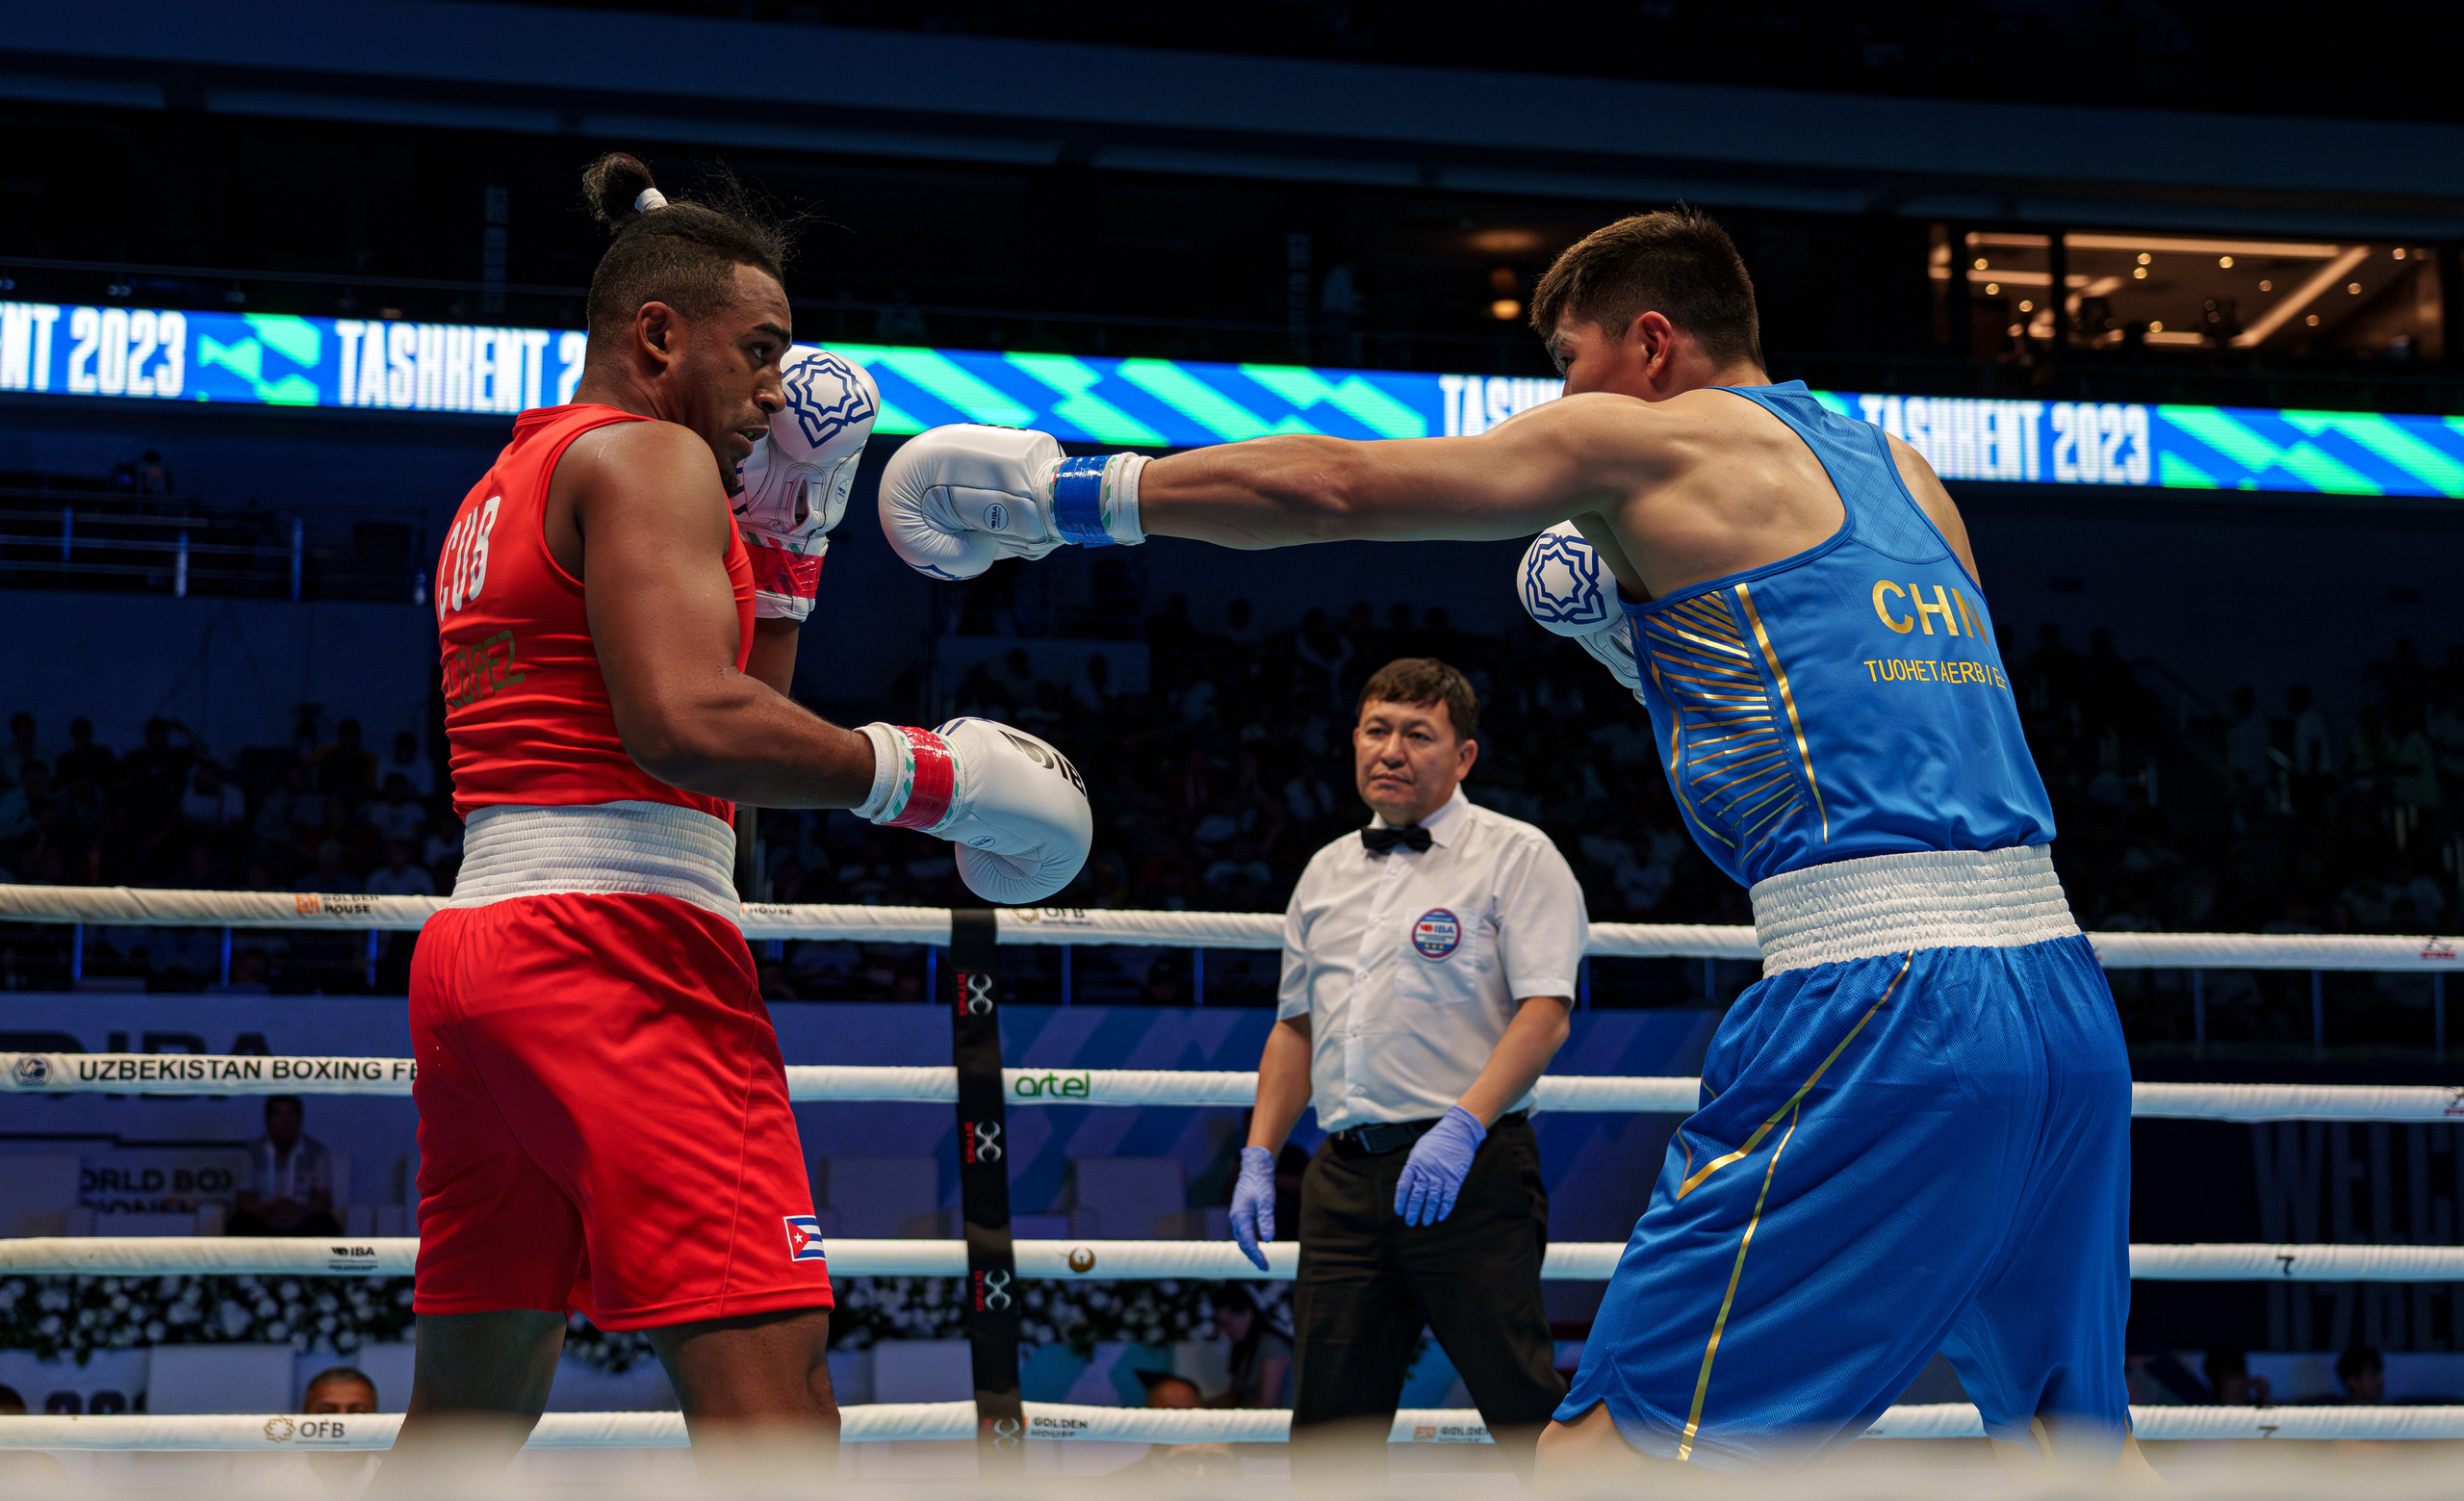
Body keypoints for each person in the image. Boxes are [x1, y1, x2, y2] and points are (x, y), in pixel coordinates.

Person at [877, 206, 2139, 1476]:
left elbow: (1337, 487)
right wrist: (1638, 651)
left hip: (1886, 1005)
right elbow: (1874, 733)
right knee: (2071, 1446)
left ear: (1650, 343)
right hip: (2062, 995)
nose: (1561, 403)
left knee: (1601, 1455)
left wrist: (1067, 495)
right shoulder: (1903, 468)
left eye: (1571, 366)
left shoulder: (1646, 440)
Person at [385, 152, 1091, 1486]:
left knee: (470, 1410)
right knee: (774, 1394)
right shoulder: (650, 455)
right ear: (659, 334)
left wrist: (790, 556)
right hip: (618, 950)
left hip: (485, 950)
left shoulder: (510, 479)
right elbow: (684, 726)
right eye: (760, 349)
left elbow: (713, 768)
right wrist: (920, 773)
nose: (778, 386)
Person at [1224, 657, 1576, 1473]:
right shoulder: (1324, 871)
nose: (1392, 749)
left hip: (1471, 1170)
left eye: (1419, 734)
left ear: (1463, 757)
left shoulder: (1516, 855)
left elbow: (1546, 1012)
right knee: (1328, 1437)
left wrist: (1462, 1124)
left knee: (1523, 1407)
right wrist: (1259, 1154)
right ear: (1354, 740)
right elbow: (1296, 1030)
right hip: (1344, 1185)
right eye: (1378, 729)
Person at [231, 1095, 342, 1236]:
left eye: (291, 1114)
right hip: (264, 1218)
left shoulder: (316, 1151)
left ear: (300, 1119)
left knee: (327, 1225)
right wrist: (270, 1210)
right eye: (278, 1114)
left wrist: (298, 1211)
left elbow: (323, 1200)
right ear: (268, 1120)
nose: (285, 1122)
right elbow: (242, 1199)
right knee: (239, 1224)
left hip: (303, 1219)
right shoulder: (252, 1152)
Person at [299, 1366, 381, 1498]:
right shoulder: (264, 1489)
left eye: (357, 1413)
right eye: (327, 1412)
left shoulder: (409, 1492)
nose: (341, 1427)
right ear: (303, 1418)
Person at [1209, 1285, 1293, 1410]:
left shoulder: (1271, 1346)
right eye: (1222, 1325)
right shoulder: (1244, 1348)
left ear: (1247, 1315)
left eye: (1228, 1324)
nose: (1226, 1331)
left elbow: (1266, 1404)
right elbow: (1235, 1396)